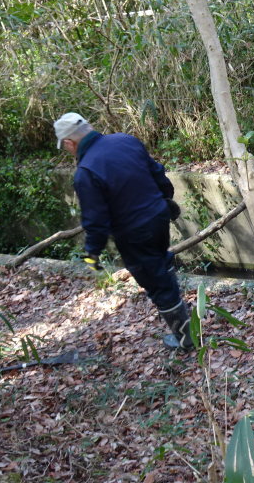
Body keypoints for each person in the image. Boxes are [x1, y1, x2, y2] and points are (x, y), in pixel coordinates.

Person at [53, 112, 192, 350]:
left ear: (69, 142)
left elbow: (95, 220)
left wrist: (92, 252)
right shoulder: (125, 140)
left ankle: (186, 339)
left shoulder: (86, 172)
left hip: (134, 232)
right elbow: (157, 172)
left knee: (156, 281)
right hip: (158, 217)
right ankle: (173, 292)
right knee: (160, 263)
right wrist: (166, 199)